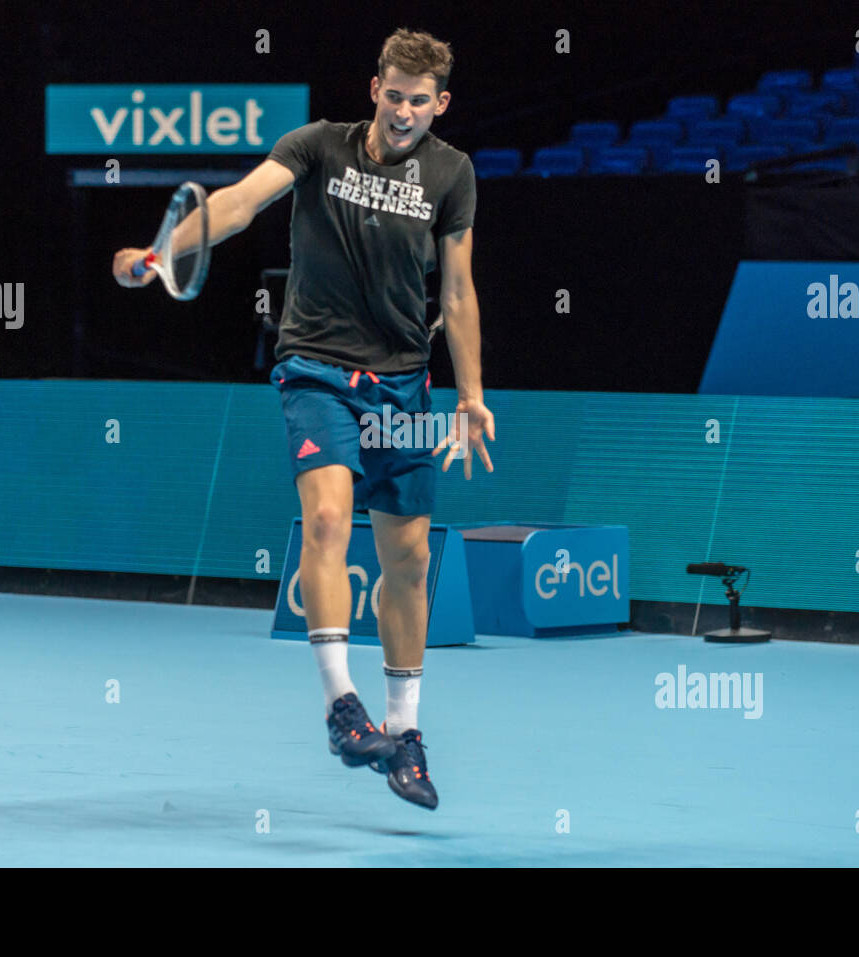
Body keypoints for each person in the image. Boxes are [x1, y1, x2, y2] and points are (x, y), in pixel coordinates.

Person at [114, 28, 494, 810]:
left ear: (440, 104)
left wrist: (470, 394)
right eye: (393, 95)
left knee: (411, 560)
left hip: (403, 385)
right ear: (374, 89)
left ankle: (405, 732)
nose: (403, 111)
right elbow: (238, 204)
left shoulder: (452, 174)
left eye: (419, 101)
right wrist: (161, 255)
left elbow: (456, 290)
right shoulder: (319, 147)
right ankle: (341, 706)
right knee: (325, 520)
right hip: (316, 368)